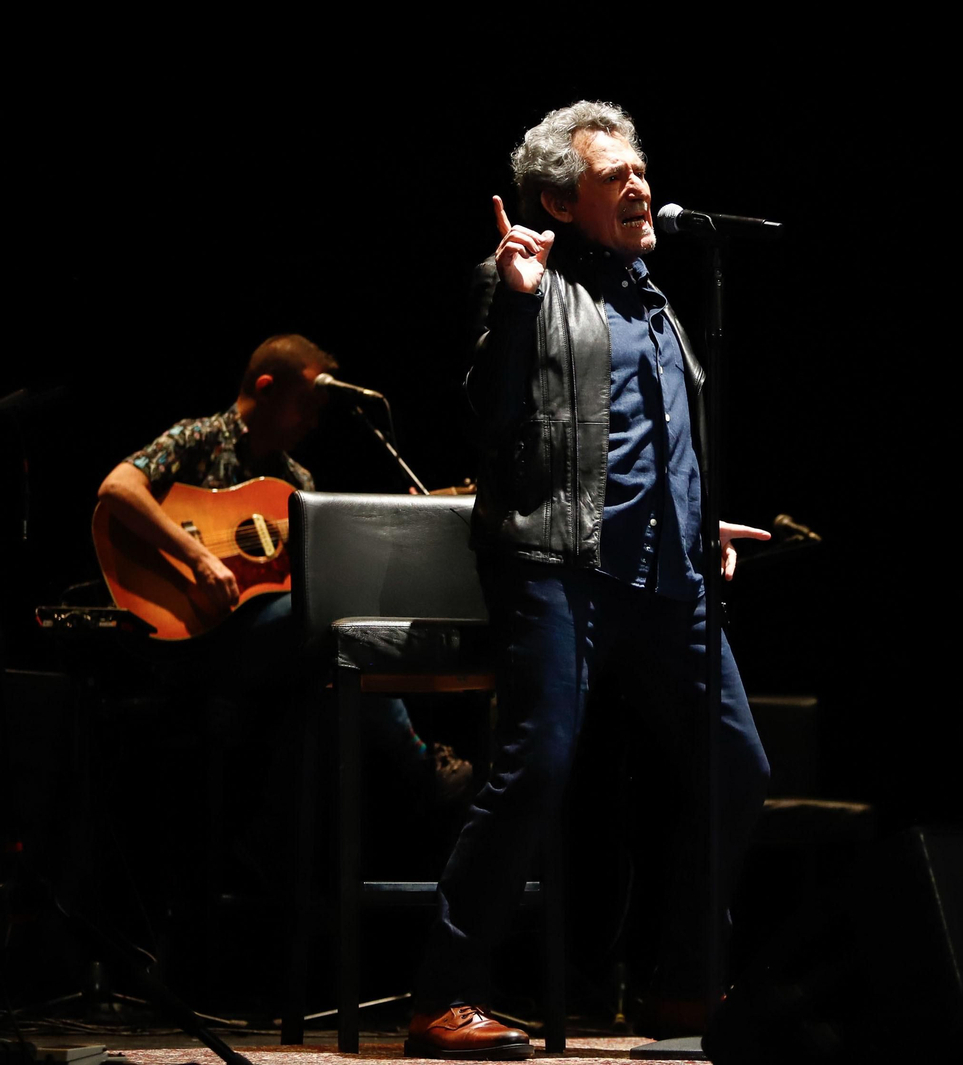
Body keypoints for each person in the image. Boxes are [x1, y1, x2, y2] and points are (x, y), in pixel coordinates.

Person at [404, 102, 771, 1059]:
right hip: (557, 564)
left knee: (738, 764)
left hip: (669, 576)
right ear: (562, 201)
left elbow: (654, 441)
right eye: (618, 178)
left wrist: (699, 519)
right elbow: (488, 418)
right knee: (540, 766)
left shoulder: (657, 302)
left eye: (642, 171)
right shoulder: (518, 278)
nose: (642, 187)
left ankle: (685, 986)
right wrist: (520, 300)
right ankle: (444, 992)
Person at [96, 335, 471, 813]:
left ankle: (285, 850)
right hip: (186, 636)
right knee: (338, 633)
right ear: (266, 388)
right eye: (305, 407)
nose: (313, 423)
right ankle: (419, 766)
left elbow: (310, 586)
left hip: (259, 648)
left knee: (333, 663)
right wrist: (198, 558)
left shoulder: (297, 484)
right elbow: (117, 488)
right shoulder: (198, 438)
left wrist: (391, 529)